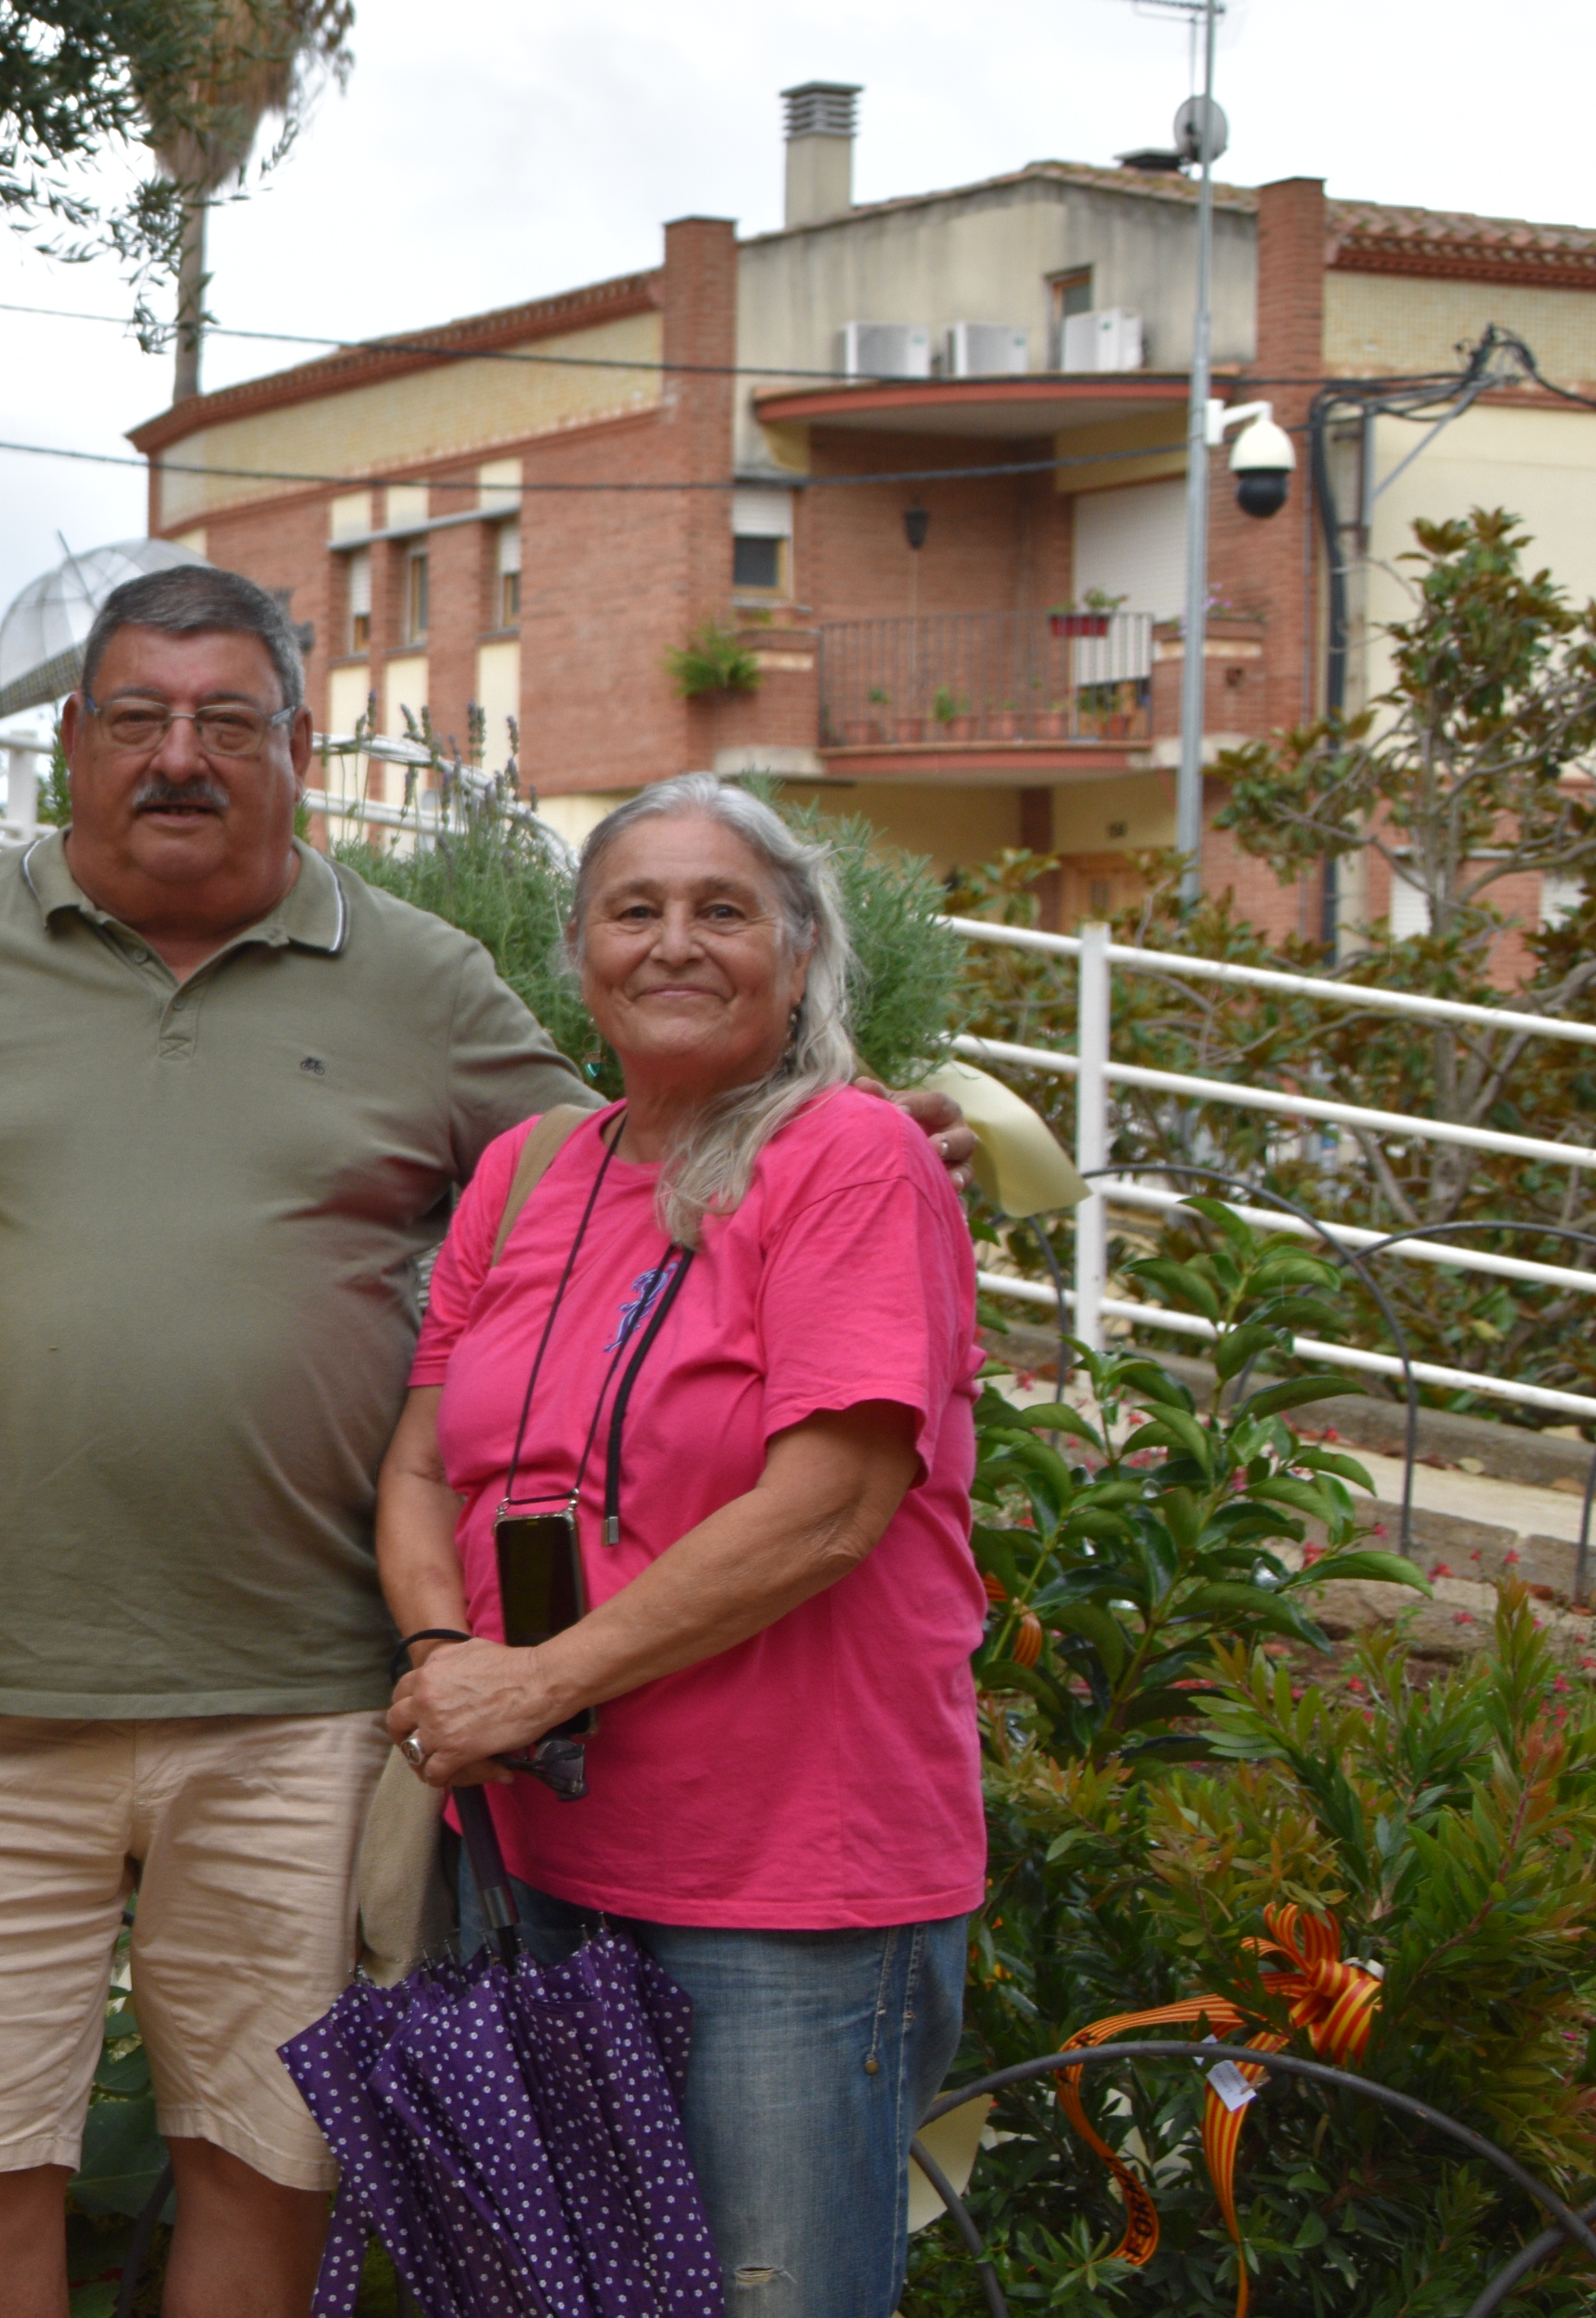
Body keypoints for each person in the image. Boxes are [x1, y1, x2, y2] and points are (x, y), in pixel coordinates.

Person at [0, 565, 973, 2318]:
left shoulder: (419, 982)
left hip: (306, 1708)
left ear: (297, 746)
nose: (178, 758)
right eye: (137, 720)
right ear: (69, 744)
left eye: (228, 723)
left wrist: (859, 1143)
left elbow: (664, 1161)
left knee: (271, 2163)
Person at [377, 775, 984, 2317]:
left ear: (800, 955)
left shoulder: (849, 1156)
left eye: (724, 909)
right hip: (543, 1852)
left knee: (771, 2294)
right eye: (634, 908)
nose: (675, 942)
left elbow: (833, 1502)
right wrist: (449, 1656)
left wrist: (539, 1680)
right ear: (578, 949)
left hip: (785, 1875)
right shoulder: (526, 1175)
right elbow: (420, 1458)